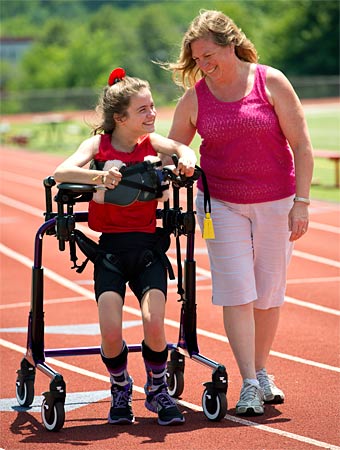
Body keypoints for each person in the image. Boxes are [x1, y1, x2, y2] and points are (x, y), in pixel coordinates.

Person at [164, 10, 314, 416]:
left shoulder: (271, 81)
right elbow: (173, 148)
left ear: (230, 44)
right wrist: (177, 157)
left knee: (267, 294)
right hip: (220, 204)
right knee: (237, 291)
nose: (204, 65)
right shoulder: (196, 96)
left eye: (209, 55)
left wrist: (302, 203)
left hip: (277, 202)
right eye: (197, 59)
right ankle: (249, 381)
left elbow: (301, 145)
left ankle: (261, 370)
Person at [53, 68, 197, 426]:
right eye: (143, 110)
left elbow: (179, 147)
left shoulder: (151, 144)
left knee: (154, 323)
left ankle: (157, 390)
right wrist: (99, 176)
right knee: (111, 329)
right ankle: (120, 387)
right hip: (111, 253)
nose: (152, 114)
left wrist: (187, 156)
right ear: (120, 118)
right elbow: (61, 172)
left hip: (149, 250)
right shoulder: (98, 146)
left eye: (152, 107)